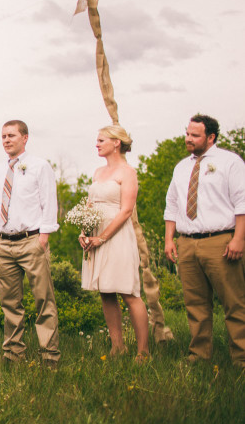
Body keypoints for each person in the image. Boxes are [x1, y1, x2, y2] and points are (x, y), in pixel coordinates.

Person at [164, 114, 245, 368]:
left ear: (211, 137)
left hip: (220, 242)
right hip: (187, 243)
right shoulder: (181, 167)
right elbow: (173, 205)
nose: (188, 139)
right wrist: (170, 239)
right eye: (187, 133)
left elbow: (242, 203)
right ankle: (199, 356)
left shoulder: (230, 162)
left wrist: (239, 239)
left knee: (234, 303)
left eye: (195, 135)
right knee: (196, 304)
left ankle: (241, 358)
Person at [0, 120, 60, 367]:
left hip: (31, 241)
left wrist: (44, 237)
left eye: (11, 135)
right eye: (3, 136)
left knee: (43, 299)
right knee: (10, 302)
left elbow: (49, 202)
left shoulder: (40, 167)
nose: (6, 140)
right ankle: (13, 354)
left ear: (25, 137)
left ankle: (49, 354)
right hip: (4, 244)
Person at [79, 125, 150, 361]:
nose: (97, 144)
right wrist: (85, 232)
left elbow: (126, 210)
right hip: (96, 233)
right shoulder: (98, 172)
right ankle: (117, 346)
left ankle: (143, 351)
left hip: (117, 235)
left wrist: (103, 237)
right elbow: (89, 206)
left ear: (116, 143)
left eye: (101, 140)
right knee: (106, 291)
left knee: (128, 291)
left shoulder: (127, 172)